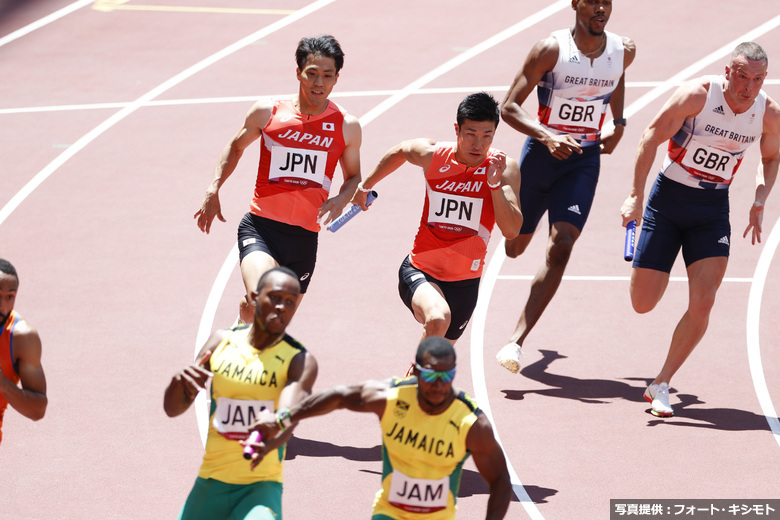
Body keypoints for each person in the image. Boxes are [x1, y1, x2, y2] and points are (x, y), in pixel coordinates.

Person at [620, 41, 780, 417]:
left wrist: (760, 200)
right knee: (643, 303)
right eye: (743, 77)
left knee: (705, 300)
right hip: (668, 201)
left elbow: (771, 158)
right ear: (728, 73)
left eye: (757, 79)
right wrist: (634, 196)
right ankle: (657, 263)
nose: (749, 87)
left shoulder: (767, 114)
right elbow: (650, 136)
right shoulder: (697, 96)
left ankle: (661, 383)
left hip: (711, 210)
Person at [495, 0, 636, 373]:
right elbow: (508, 107)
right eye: (593, 1)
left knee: (562, 246)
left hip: (583, 160)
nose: (601, 8)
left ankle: (515, 341)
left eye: (607, 1)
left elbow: (617, 76)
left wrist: (618, 122)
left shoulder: (624, 50)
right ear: (576, 4)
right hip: (541, 157)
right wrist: (546, 136)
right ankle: (506, 188)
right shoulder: (551, 50)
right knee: (513, 248)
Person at [245, 336, 512, 520]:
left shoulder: (471, 423)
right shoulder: (391, 397)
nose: (439, 384)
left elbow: (500, 479)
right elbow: (339, 395)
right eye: (431, 376)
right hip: (389, 513)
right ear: (416, 372)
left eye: (447, 376)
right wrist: (282, 419)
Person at [194, 34, 362, 324]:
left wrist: (341, 198)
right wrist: (213, 189)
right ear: (298, 73)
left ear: (336, 79)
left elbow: (354, 177)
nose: (318, 83)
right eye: (311, 74)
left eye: (327, 76)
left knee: (272, 323)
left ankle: (241, 325)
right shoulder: (267, 112)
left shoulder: (347, 126)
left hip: (304, 239)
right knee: (265, 298)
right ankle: (238, 334)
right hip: (262, 229)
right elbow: (235, 147)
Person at [353, 92, 523, 344]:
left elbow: (511, 231)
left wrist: (494, 186)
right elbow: (401, 151)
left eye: (487, 136)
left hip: (465, 285)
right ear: (457, 129)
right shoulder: (434, 155)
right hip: (421, 271)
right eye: (471, 134)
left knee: (435, 366)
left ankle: (410, 381)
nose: (478, 144)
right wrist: (365, 187)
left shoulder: (502, 168)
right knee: (438, 318)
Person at [164, 266, 318, 519]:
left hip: (260, 488)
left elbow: (287, 420)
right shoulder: (221, 342)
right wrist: (177, 385)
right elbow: (173, 409)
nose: (282, 307)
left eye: (290, 302)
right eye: (275, 298)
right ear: (255, 298)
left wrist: (275, 425)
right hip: (211, 482)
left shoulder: (299, 360)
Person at [0, 259, 47, 445]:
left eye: (10, 297)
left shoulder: (22, 338)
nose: (2, 305)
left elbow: (37, 411)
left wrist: (3, 385)